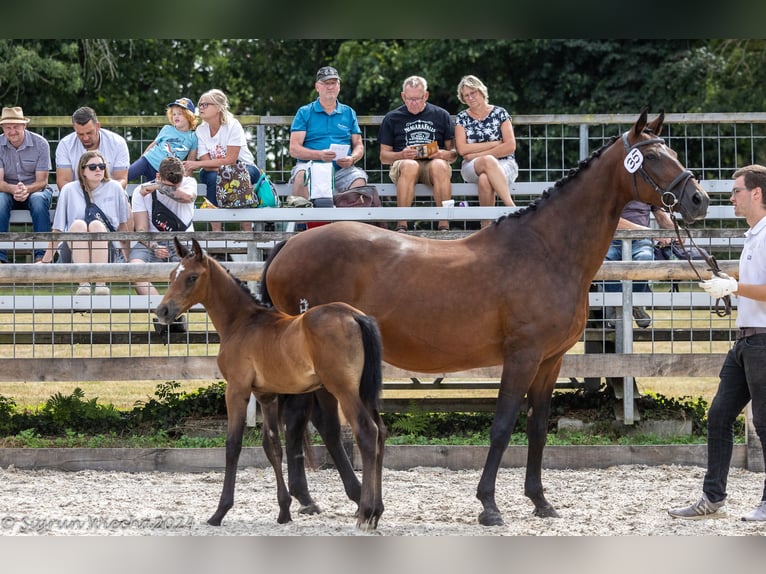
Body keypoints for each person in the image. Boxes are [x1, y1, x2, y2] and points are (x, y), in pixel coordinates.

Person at [668, 164, 766, 522]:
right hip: (746, 342)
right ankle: (713, 498)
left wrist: (734, 287)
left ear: (756, 193)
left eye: (737, 190)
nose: (731, 197)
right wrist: (732, 280)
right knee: (719, 416)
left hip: (763, 342)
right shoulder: (754, 235)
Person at [40, 151, 131, 296]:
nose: (98, 170)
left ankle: (101, 283)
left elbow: (122, 226)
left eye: (101, 166)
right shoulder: (69, 190)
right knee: (78, 225)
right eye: (93, 167)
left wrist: (128, 258)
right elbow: (58, 229)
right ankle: (84, 284)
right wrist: (45, 261)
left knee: (96, 225)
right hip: (72, 248)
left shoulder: (115, 187)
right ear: (82, 170)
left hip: (107, 248)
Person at [378, 75, 457, 232]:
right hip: (404, 164)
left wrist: (442, 154)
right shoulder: (392, 118)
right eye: (409, 99)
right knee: (410, 165)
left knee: (440, 165)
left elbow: (454, 153)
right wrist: (401, 155)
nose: (413, 103)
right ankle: (402, 224)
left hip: (433, 165)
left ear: (426, 96)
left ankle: (444, 224)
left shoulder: (441, 115)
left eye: (418, 99)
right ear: (403, 96)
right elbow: (383, 156)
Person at [288, 66, 368, 204]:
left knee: (358, 179)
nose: (330, 87)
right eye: (326, 83)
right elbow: (294, 149)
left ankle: (349, 224)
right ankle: (302, 223)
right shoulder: (304, 112)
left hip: (342, 170)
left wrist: (352, 158)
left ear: (339, 86)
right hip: (310, 165)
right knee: (301, 175)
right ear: (317, 87)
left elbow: (359, 145)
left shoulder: (349, 112)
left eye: (334, 83)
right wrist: (319, 155)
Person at [182, 88, 257, 232]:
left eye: (205, 104)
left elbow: (231, 160)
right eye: (200, 105)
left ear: (218, 108)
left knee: (239, 176)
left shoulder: (233, 125)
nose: (201, 108)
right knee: (212, 177)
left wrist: (196, 164)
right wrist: (222, 168)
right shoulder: (200, 130)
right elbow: (208, 162)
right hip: (217, 170)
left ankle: (248, 232)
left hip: (245, 167)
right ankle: (216, 232)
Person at [454, 75, 517, 228]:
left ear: (481, 91)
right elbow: (462, 149)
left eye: (473, 93)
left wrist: (475, 153)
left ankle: (486, 227)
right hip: (471, 166)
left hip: (505, 163)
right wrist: (494, 144)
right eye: (466, 95)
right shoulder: (462, 118)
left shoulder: (500, 113)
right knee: (487, 161)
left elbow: (510, 146)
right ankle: (512, 209)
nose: (470, 97)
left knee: (485, 179)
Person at [602, 201, 676, 329]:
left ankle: (627, 306)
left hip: (641, 240)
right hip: (610, 238)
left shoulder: (646, 190)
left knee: (645, 259)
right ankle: (629, 305)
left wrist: (677, 232)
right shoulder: (612, 187)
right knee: (603, 262)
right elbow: (612, 219)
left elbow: (662, 216)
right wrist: (651, 233)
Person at [129, 155, 196, 295]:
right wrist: (154, 246)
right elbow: (141, 229)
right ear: (158, 175)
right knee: (134, 268)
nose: (173, 188)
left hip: (183, 242)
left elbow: (187, 197)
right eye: (168, 184)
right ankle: (161, 311)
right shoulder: (140, 191)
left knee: (190, 274)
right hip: (151, 241)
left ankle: (173, 311)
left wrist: (160, 186)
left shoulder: (189, 182)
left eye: (176, 185)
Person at [0, 106, 53, 264]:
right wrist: (14, 189)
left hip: (36, 189)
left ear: (24, 125)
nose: (12, 131)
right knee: (0, 200)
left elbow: (42, 182)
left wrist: (26, 189)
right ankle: (0, 258)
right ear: (3, 127)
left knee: (38, 200)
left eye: (16, 126)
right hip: (7, 190)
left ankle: (42, 257)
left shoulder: (41, 144)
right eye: (8, 127)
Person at [55, 106, 130, 191]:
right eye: (80, 134)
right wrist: (82, 196)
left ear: (98, 126)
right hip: (76, 196)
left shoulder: (118, 143)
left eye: (89, 133)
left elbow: (121, 179)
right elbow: (63, 181)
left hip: (110, 196)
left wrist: (104, 195)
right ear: (74, 129)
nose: (85, 138)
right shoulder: (65, 145)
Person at [128, 97, 198, 182]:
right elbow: (153, 144)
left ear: (189, 116)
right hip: (147, 160)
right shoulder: (167, 128)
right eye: (174, 114)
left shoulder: (193, 137)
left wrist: (186, 182)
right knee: (125, 176)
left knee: (152, 194)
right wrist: (141, 159)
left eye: (180, 114)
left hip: (163, 172)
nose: (176, 116)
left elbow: (190, 163)